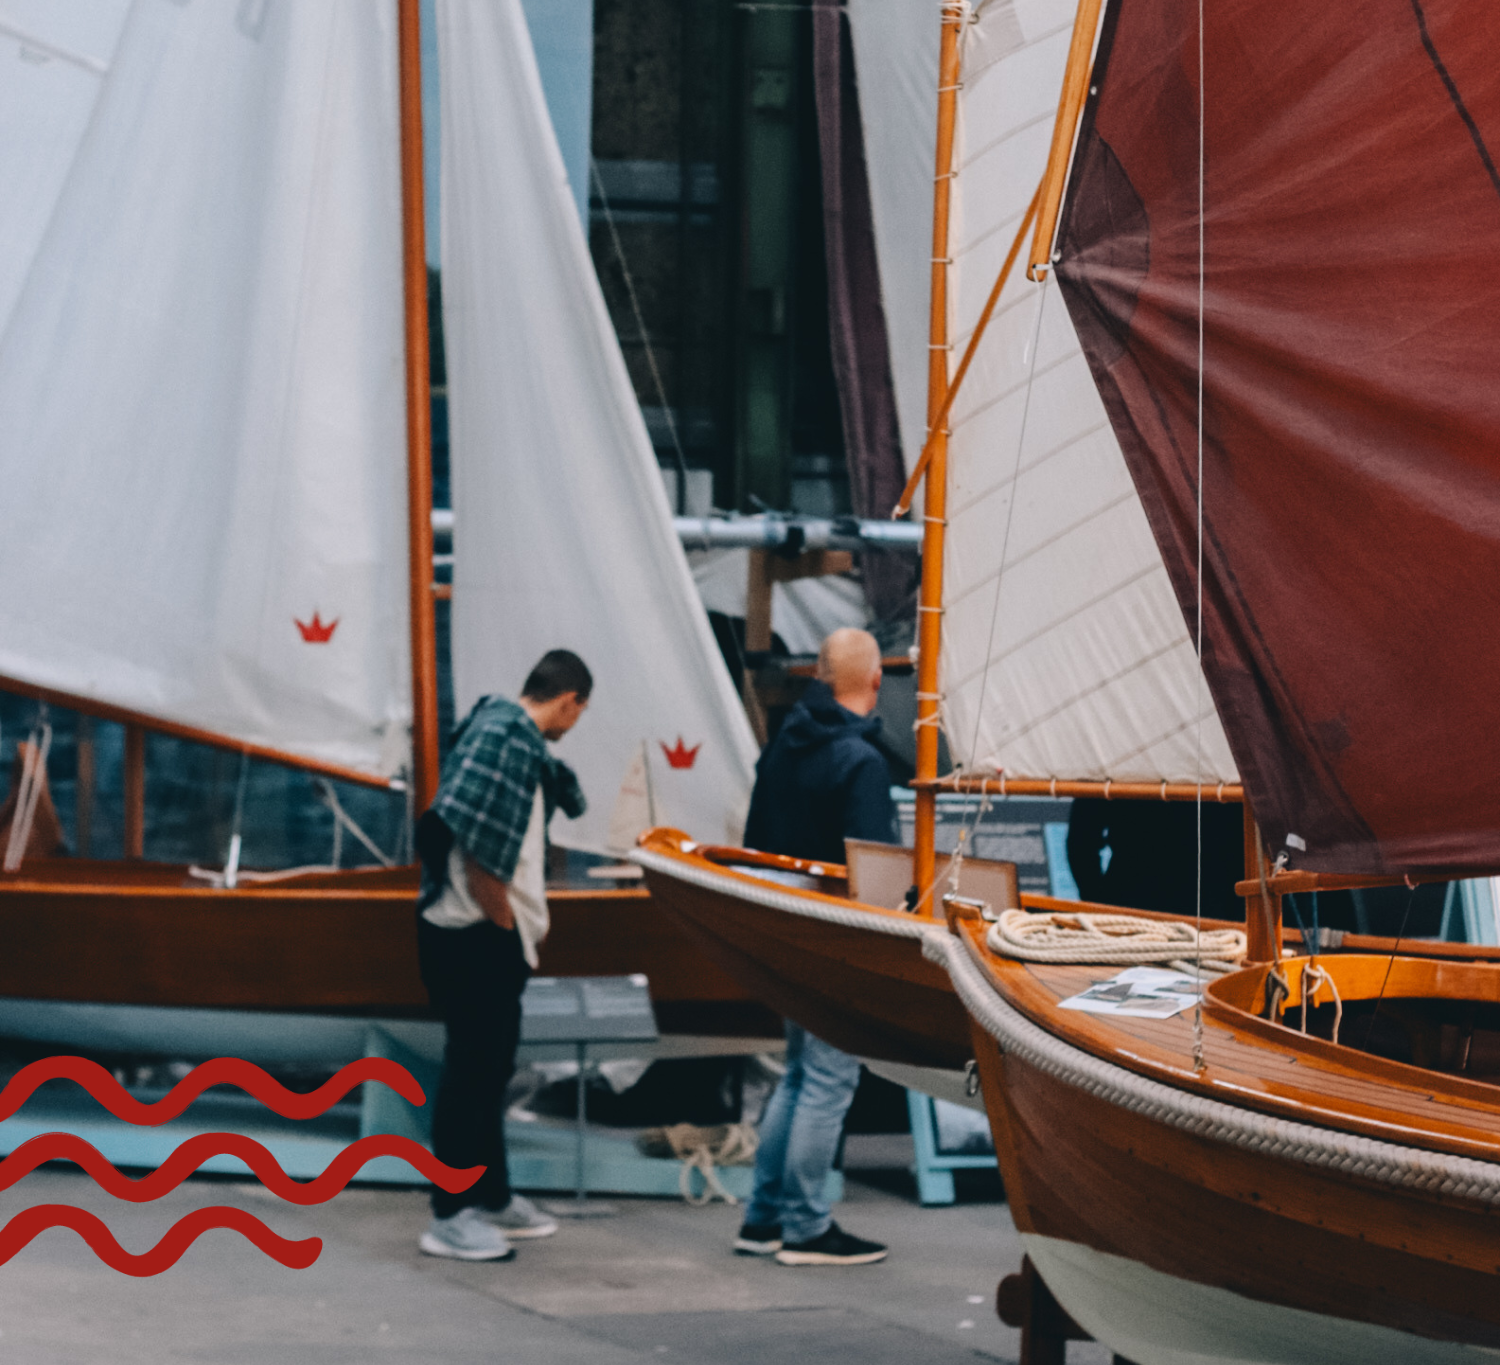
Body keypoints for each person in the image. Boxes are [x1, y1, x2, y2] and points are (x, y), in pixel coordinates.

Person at [414, 649, 591, 1261]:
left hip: (479, 934)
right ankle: (450, 1216)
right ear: (569, 700)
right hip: (475, 935)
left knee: (490, 1074)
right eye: (579, 713)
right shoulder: (509, 742)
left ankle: (491, 1195)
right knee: (471, 1077)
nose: (573, 725)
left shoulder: (506, 734)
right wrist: (504, 921)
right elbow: (481, 851)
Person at [734, 627, 895, 1267]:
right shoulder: (862, 762)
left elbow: (752, 844)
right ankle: (804, 1227)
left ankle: (762, 1219)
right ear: (877, 682)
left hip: (784, 929)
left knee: (799, 1073)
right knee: (829, 1077)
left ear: (820, 676)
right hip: (834, 936)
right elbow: (876, 873)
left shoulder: (781, 749)